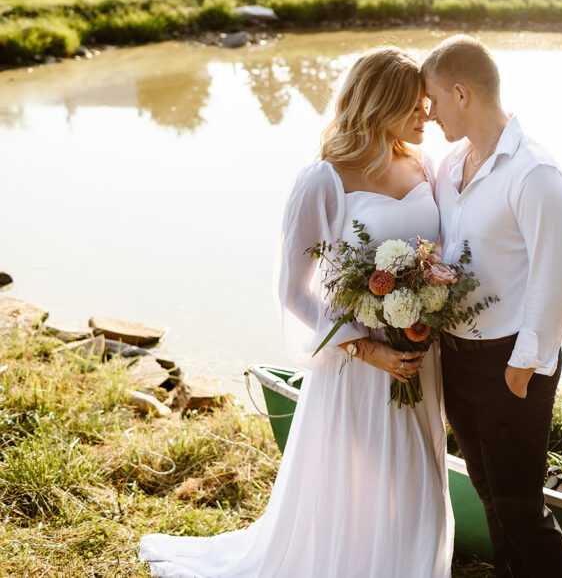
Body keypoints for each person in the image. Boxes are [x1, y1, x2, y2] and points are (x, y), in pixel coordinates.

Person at [138, 47, 454, 578]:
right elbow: (293, 288)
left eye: (428, 105)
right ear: (379, 104)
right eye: (415, 107)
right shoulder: (322, 180)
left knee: (420, 474)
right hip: (357, 366)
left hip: (421, 351)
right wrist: (363, 344)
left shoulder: (425, 164)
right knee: (359, 477)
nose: (427, 116)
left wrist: (425, 310)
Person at [422, 35, 562, 578]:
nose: (429, 113)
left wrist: (522, 366)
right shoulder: (448, 165)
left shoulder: (536, 175)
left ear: (460, 93)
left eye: (433, 101)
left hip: (511, 364)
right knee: (490, 497)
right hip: (457, 359)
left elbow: (554, 282)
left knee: (522, 511)